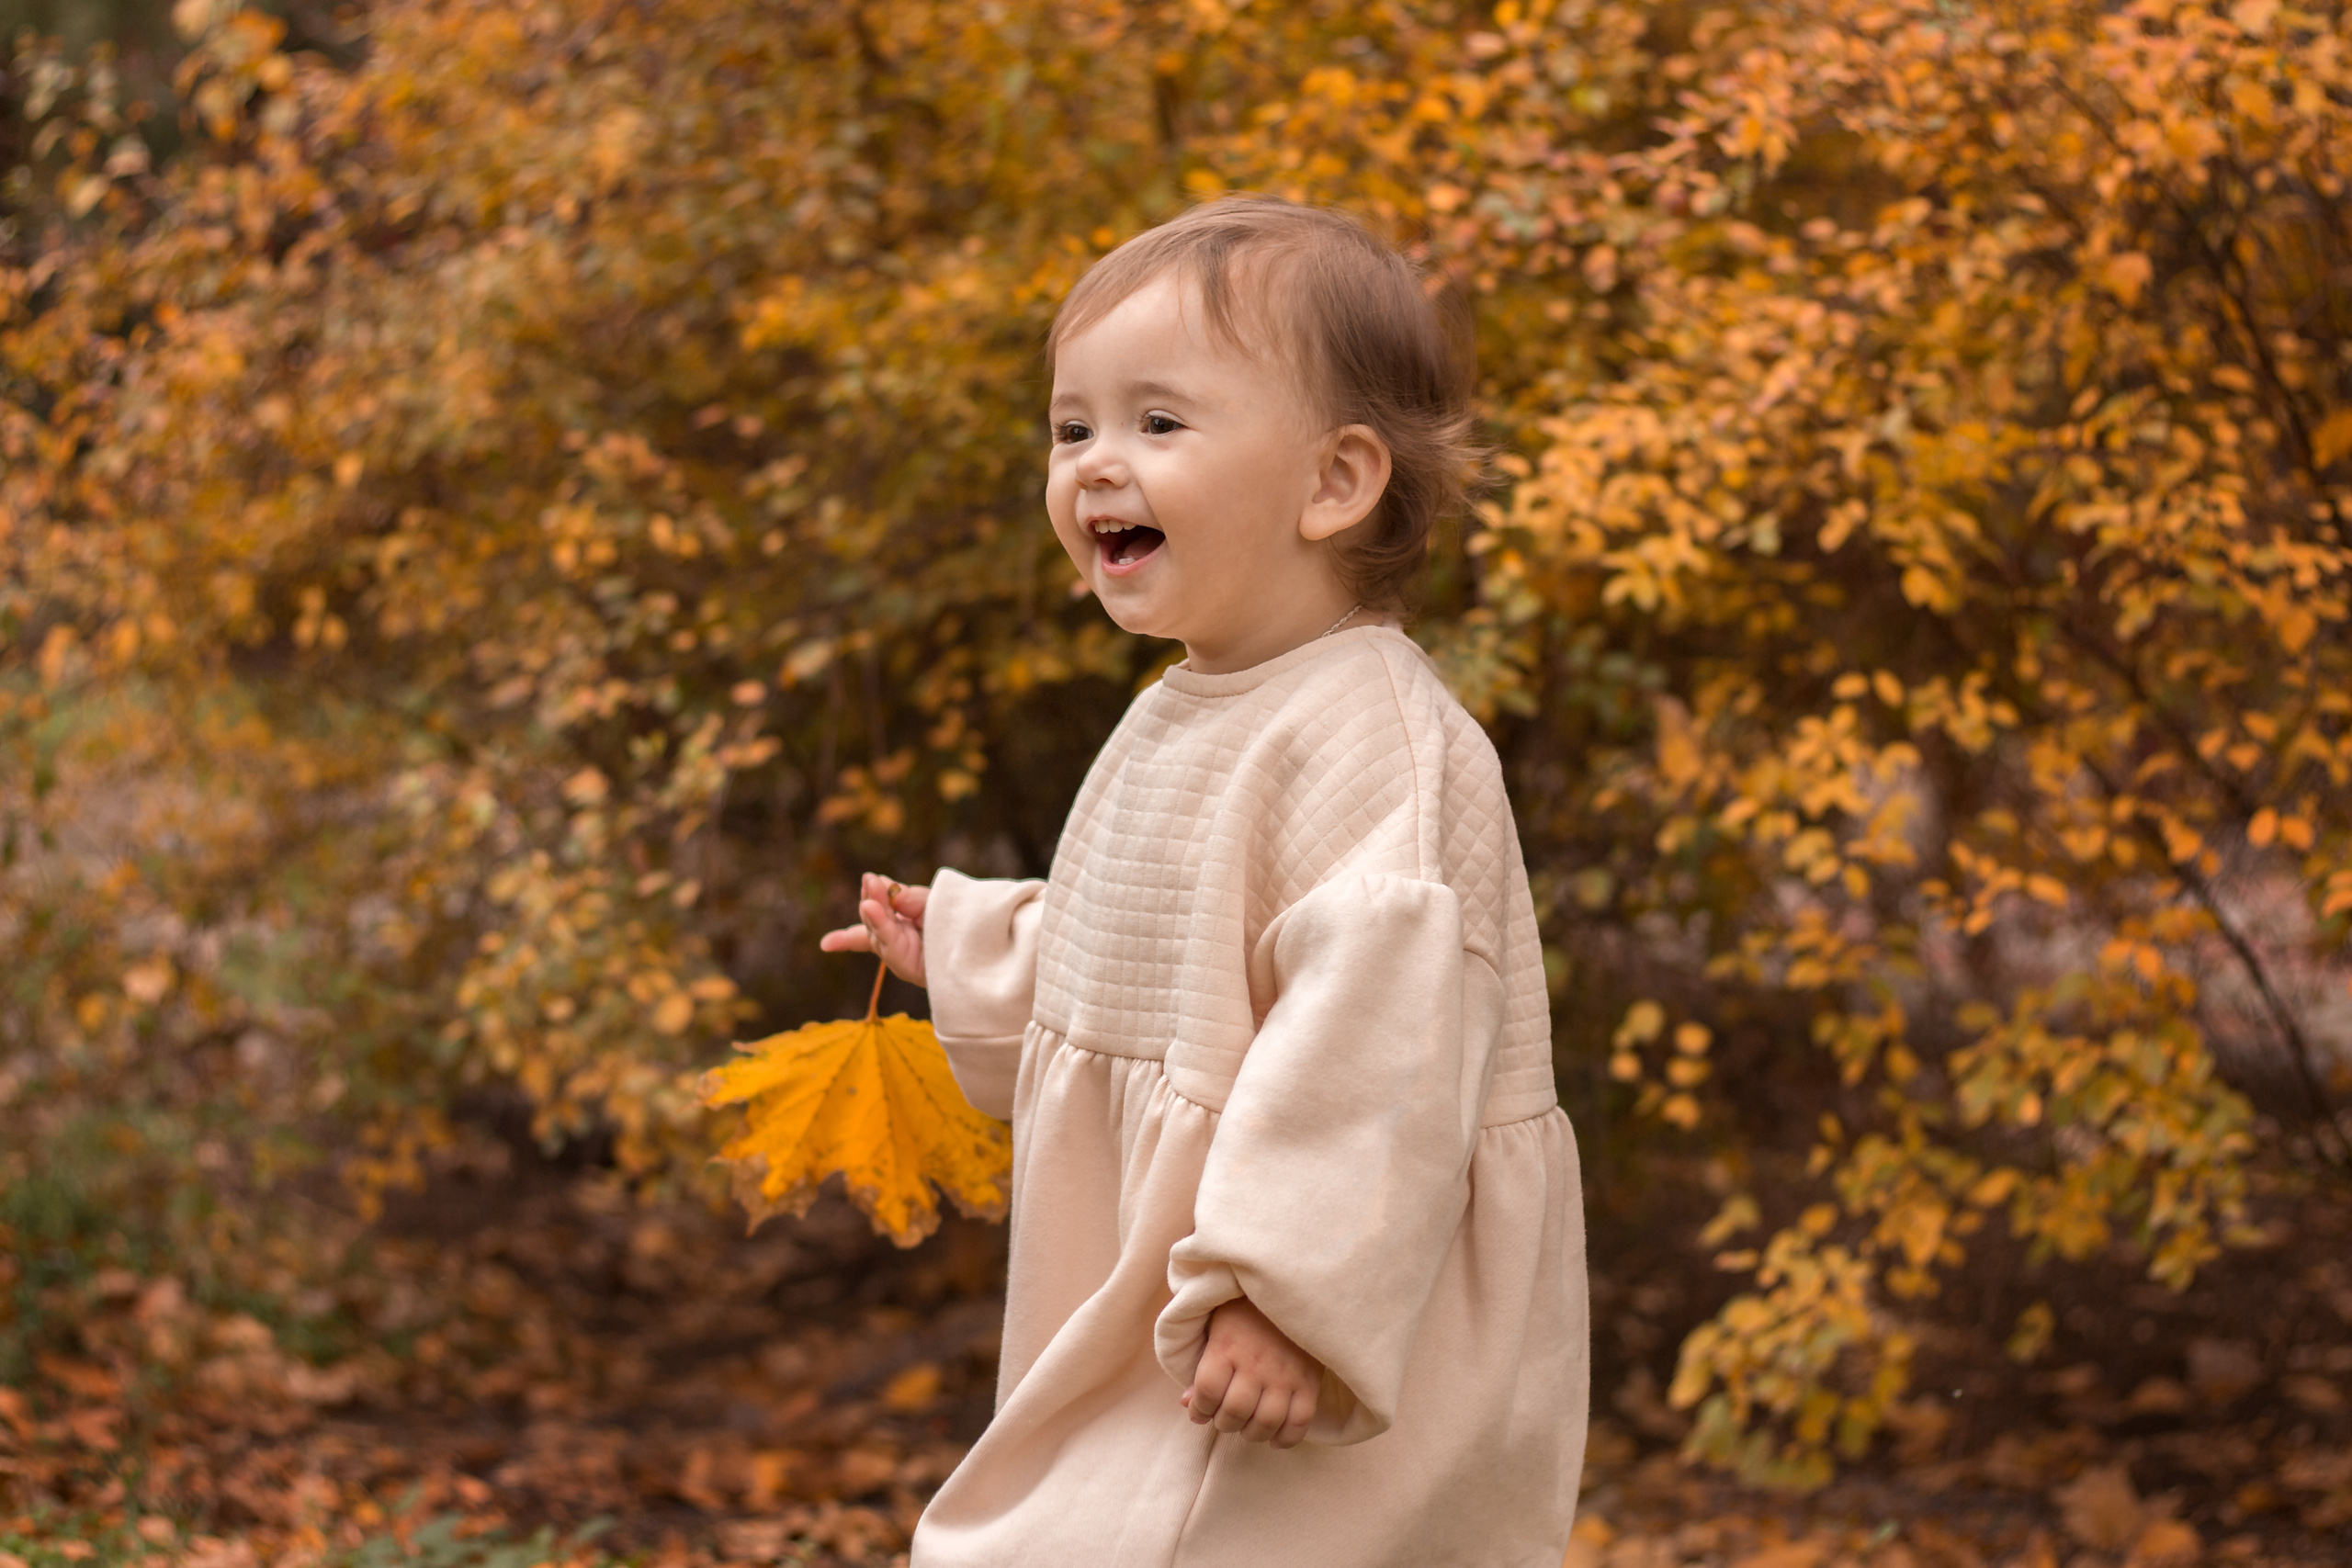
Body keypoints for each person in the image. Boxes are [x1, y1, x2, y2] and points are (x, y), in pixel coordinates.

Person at [820, 195, 1589, 1567]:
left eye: (1157, 425)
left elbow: (1380, 1063)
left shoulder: (1379, 745)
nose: (1096, 467)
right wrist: (989, 949)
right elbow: (1157, 933)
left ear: (1333, 483)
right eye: (1073, 429)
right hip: (1169, 1265)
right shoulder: (1196, 700)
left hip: (1289, 1293)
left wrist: (1286, 1296)